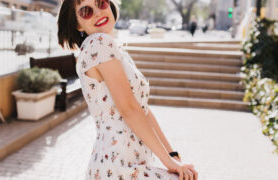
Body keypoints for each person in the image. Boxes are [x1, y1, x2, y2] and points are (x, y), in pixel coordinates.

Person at [57, 0, 198, 179]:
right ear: (77, 23)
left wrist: (172, 155)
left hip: (123, 162)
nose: (98, 12)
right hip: (120, 166)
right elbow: (128, 109)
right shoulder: (99, 43)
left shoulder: (105, 47)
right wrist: (170, 163)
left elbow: (142, 109)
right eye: (86, 11)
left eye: (101, 2)